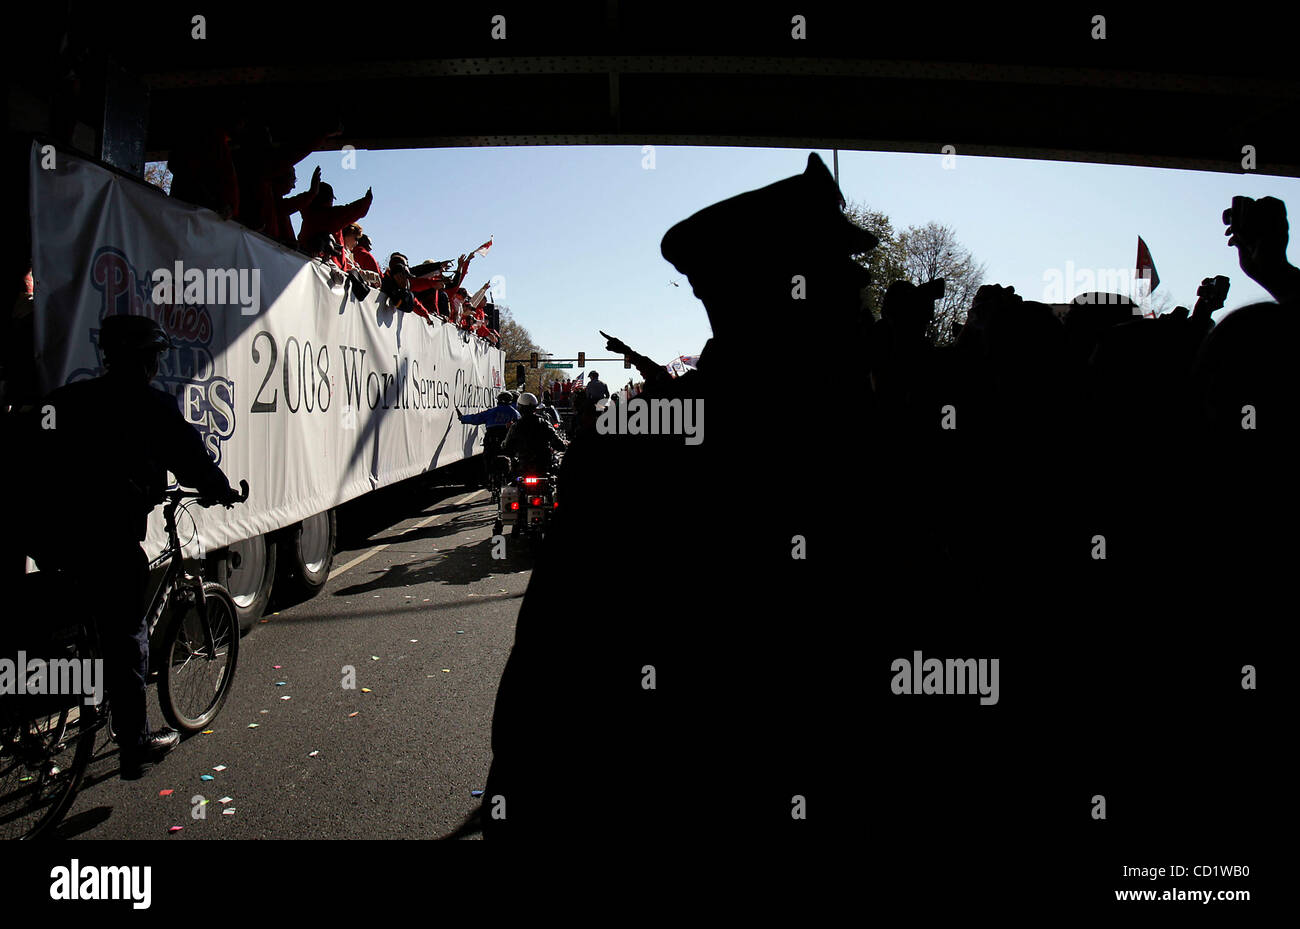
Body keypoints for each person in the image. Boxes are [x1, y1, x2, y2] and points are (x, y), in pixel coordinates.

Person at [26, 315, 240, 780]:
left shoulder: (67, 399)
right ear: (145, 360)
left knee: (83, 620)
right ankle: (135, 744)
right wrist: (222, 490)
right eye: (153, 356)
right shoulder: (151, 406)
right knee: (127, 634)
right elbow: (192, 460)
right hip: (106, 540)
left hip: (52, 540)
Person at [456, 391, 521, 487]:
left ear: (498, 401)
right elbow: (521, 424)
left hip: (492, 440)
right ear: (510, 401)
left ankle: (490, 478)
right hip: (507, 441)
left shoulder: (491, 412)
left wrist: (462, 418)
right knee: (514, 458)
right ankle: (512, 478)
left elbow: (476, 418)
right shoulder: (514, 412)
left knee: (487, 458)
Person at [502, 392, 567, 478]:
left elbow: (507, 447)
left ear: (519, 407)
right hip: (543, 465)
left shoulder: (516, 426)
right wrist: (562, 445)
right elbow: (558, 443)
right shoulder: (543, 423)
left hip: (525, 466)